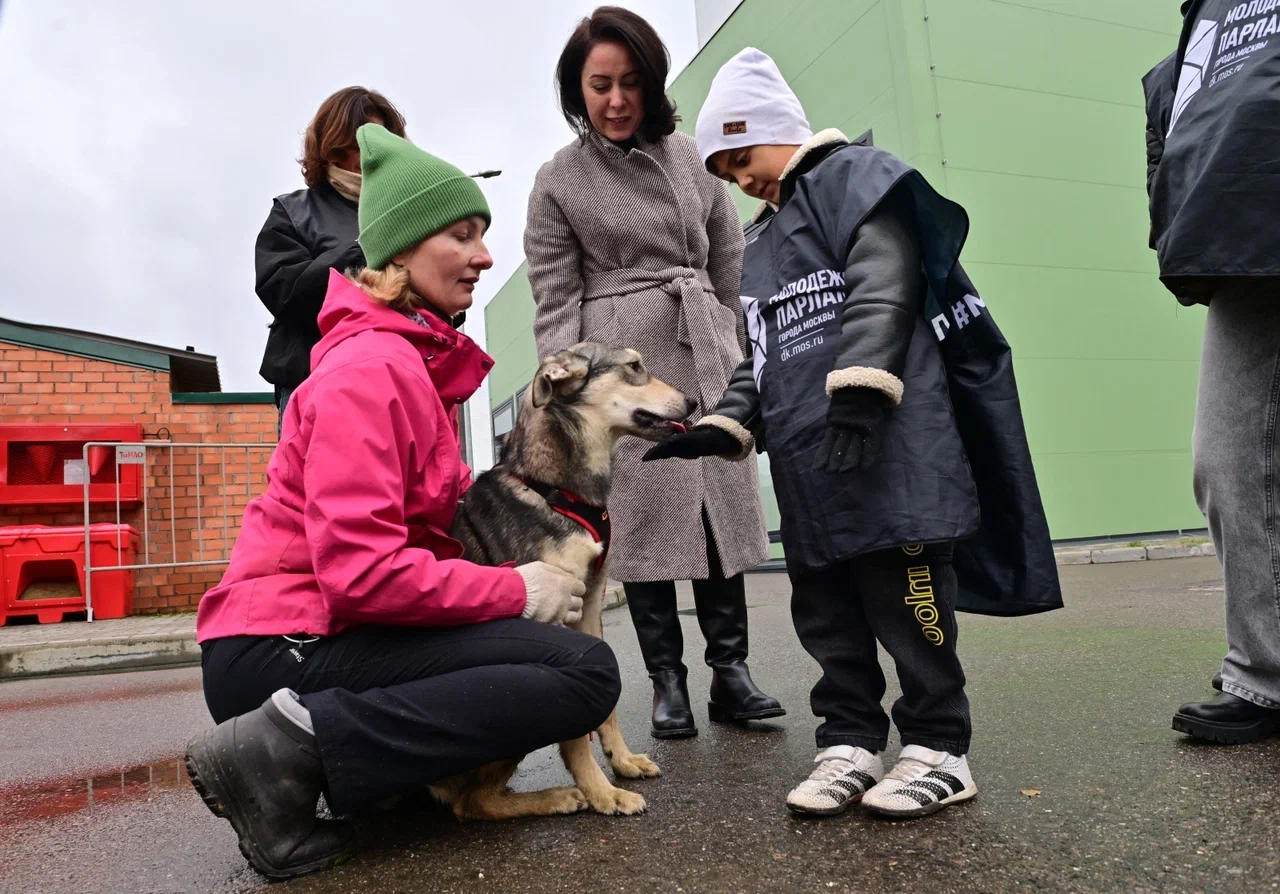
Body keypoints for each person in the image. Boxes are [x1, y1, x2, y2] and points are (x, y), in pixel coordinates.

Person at [188, 124, 612, 881]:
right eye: (461, 234)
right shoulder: (371, 370)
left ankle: (372, 777)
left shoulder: (407, 366)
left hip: (318, 633)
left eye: (482, 235)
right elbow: (359, 573)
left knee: (569, 661)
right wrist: (512, 587)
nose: (485, 256)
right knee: (581, 674)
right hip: (282, 646)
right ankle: (282, 751)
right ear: (402, 252)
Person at [648, 48, 1061, 818]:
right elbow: (760, 355)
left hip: (892, 451)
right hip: (814, 470)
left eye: (744, 156)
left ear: (778, 129)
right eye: (727, 171)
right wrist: (724, 423)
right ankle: (849, 741)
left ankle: (940, 746)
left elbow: (884, 277)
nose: (741, 179)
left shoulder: (856, 179)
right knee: (826, 613)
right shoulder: (764, 246)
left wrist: (866, 387)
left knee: (909, 607)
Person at [524, 6, 781, 740]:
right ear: (578, 89)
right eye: (599, 84)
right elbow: (554, 295)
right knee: (641, 522)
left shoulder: (691, 158)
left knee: (718, 510)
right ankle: (667, 681)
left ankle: (730, 673)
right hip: (621, 372)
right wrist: (566, 392)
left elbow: (729, 262)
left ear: (652, 83)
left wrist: (731, 344)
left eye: (630, 82)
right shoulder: (558, 180)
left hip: (701, 341)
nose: (615, 100)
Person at [1147, 0, 1280, 744]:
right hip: (1246, 239)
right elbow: (1178, 113)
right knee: (1227, 463)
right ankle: (1267, 673)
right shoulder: (1208, 14)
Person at [255, 86, 407, 432]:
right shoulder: (292, 212)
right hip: (313, 384)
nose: (370, 153)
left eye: (382, 139)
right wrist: (366, 247)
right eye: (358, 142)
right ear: (331, 144)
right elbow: (282, 293)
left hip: (399, 382)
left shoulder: (407, 211)